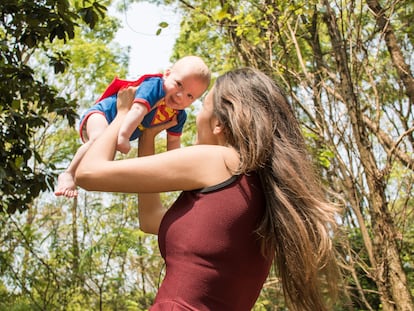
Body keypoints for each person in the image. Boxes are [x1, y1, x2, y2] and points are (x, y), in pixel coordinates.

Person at [74, 67, 339, 310]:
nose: (196, 114)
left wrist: (122, 114)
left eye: (203, 106)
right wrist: (149, 137)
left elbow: (88, 173)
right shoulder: (259, 188)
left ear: (219, 123)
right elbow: (151, 219)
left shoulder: (217, 160)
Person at [55, 55, 211, 198]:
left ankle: (81, 174)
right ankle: (68, 173)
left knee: (103, 160)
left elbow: (173, 143)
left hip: (118, 129)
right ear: (167, 74)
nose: (180, 96)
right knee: (98, 139)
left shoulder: (178, 115)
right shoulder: (155, 87)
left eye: (190, 96)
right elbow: (137, 110)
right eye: (179, 85)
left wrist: (178, 169)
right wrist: (123, 136)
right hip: (104, 114)